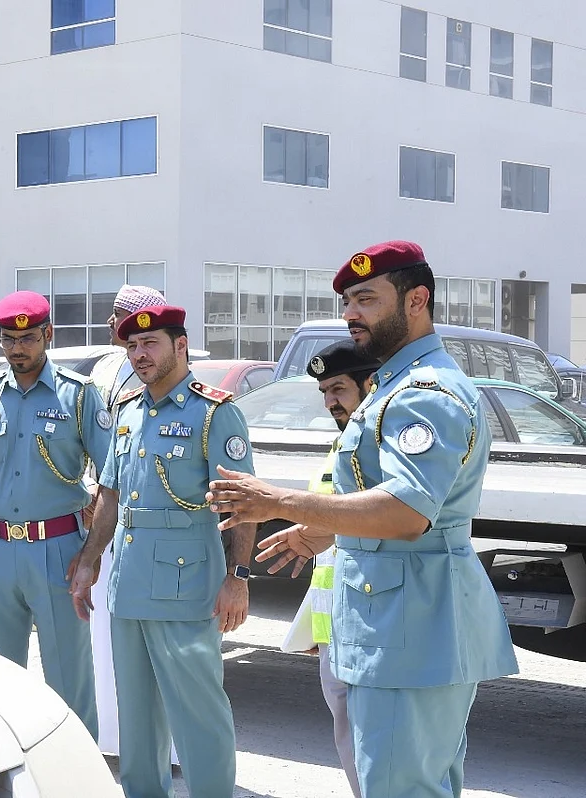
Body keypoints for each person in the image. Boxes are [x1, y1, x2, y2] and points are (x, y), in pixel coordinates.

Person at [208, 241, 519, 798]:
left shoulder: (424, 393)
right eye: (348, 302)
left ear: (417, 300)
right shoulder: (398, 385)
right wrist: (326, 529)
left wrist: (278, 501)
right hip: (401, 623)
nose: (351, 314)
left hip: (409, 626)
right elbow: (396, 504)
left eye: (367, 299)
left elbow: (406, 512)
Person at [69, 304, 256, 798]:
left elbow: (243, 503)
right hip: (129, 584)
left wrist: (237, 577)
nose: (139, 354)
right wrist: (89, 561)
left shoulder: (213, 412)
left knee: (198, 713)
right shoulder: (129, 411)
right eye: (132, 346)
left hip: (186, 587)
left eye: (150, 343)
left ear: (181, 345)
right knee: (137, 716)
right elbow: (110, 495)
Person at [0, 290, 112, 739]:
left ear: (48, 334)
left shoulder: (77, 396)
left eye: (28, 339)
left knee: (68, 679)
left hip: (59, 551)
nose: (17, 349)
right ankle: (8, 768)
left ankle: (74, 771)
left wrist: (91, 553)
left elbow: (111, 480)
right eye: (8, 340)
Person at [281, 340, 380, 798]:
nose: (329, 402)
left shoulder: (379, 445)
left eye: (338, 389)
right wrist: (315, 629)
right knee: (351, 742)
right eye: (324, 392)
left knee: (377, 747)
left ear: (369, 383)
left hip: (370, 625)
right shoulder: (342, 445)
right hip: (335, 628)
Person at [84, 283, 167, 756]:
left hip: (152, 522)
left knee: (158, 645)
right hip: (106, 508)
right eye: (114, 316)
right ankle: (112, 741)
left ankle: (161, 750)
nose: (113, 323)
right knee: (106, 637)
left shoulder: (163, 367)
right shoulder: (104, 368)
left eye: (121, 314)